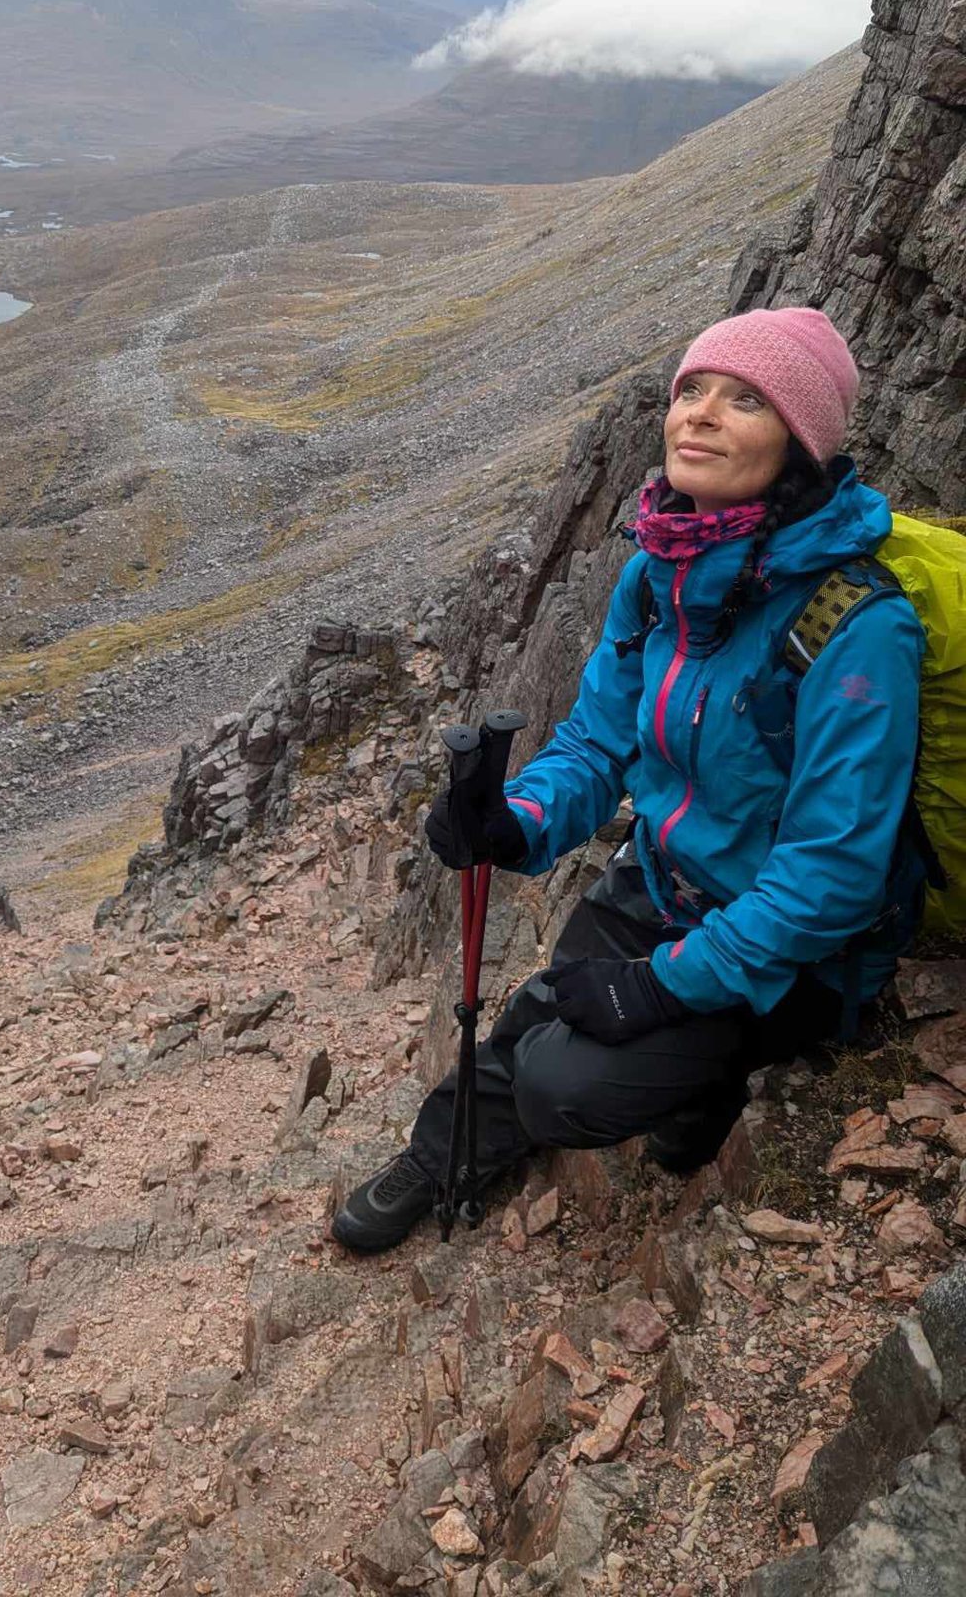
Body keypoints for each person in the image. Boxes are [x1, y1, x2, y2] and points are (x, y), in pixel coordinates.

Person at [332, 306, 927, 1254]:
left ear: (801, 445)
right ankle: (445, 1153)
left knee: (563, 1083)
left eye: (745, 400)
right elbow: (598, 744)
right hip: (661, 879)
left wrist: (665, 986)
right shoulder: (661, 575)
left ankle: (714, 1085)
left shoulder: (857, 627)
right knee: (544, 1013)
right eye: (692, 389)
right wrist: (514, 822)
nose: (699, 414)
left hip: (792, 954)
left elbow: (831, 878)